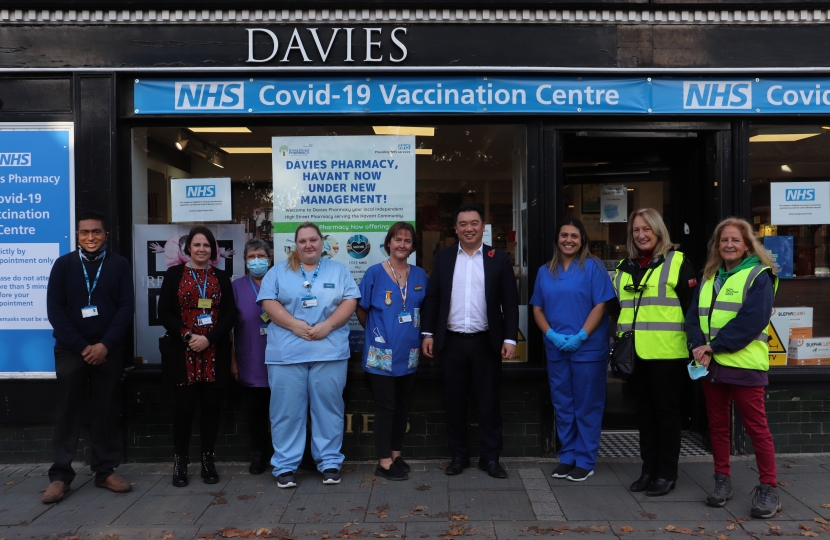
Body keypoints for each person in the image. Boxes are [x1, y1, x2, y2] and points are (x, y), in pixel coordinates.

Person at [687, 217, 780, 518]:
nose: (728, 245)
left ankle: (769, 489)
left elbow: (752, 320)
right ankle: (721, 481)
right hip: (711, 367)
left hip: (744, 366)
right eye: (723, 240)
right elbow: (693, 317)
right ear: (717, 245)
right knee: (717, 426)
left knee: (756, 430)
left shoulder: (758, 275)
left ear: (747, 245)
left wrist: (714, 346)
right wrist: (696, 346)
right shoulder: (709, 276)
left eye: (735, 240)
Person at [257, 222, 360, 488]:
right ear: (295, 244)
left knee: (328, 409)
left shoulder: (338, 270)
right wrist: (292, 324)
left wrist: (329, 325)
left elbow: (350, 300)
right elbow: (268, 301)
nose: (308, 245)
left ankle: (329, 463)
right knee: (286, 411)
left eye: (313, 240)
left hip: (329, 352)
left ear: (322, 242)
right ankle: (285, 466)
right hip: (287, 353)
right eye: (302, 241)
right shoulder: (278, 272)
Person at [421, 203, 519, 479]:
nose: (469, 228)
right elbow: (434, 298)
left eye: (474, 223)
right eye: (463, 224)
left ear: (483, 227)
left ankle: (490, 459)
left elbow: (509, 303)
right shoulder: (444, 257)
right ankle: (458, 456)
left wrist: (510, 338)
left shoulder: (497, 258)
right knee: (454, 403)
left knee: (489, 405)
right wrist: (428, 334)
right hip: (451, 343)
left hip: (486, 343)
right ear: (455, 228)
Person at [43, 210, 135, 504]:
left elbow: (125, 308)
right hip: (72, 350)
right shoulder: (63, 265)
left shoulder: (119, 265)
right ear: (78, 236)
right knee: (68, 411)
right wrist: (84, 347)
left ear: (106, 235)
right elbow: (55, 311)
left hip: (108, 350)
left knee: (104, 411)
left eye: (96, 232)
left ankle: (105, 471)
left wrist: (105, 345)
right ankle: (60, 477)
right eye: (85, 233)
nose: (91, 237)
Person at [610, 208, 697, 496]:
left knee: (666, 415)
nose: (641, 234)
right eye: (636, 230)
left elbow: (692, 310)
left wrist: (696, 346)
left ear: (658, 231)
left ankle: (666, 473)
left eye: (646, 229)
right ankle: (648, 470)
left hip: (667, 355)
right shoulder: (625, 267)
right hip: (634, 355)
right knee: (644, 414)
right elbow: (616, 309)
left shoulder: (678, 262)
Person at [531, 218, 616, 483]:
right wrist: (552, 335)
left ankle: (585, 460)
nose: (569, 240)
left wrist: (581, 336)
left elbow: (601, 305)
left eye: (574, 236)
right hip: (557, 349)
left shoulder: (593, 267)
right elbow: (537, 309)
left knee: (587, 405)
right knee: (564, 405)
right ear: (557, 239)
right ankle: (567, 457)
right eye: (564, 235)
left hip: (588, 349)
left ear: (582, 241)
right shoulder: (545, 271)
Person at [158, 226, 237, 487]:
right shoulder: (173, 275)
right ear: (188, 248)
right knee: (184, 410)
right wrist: (188, 336)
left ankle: (207, 461)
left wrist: (209, 339)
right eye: (196, 245)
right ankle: (180, 462)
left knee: (211, 409)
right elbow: (164, 312)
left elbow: (230, 315)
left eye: (206, 245)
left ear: (213, 250)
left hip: (214, 353)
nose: (202, 249)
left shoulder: (222, 277)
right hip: (184, 352)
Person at [356, 222, 428, 481]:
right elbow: (361, 308)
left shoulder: (420, 275)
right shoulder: (374, 273)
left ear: (412, 246)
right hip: (381, 354)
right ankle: (384, 462)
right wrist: (378, 334)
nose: (402, 245)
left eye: (407, 241)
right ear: (388, 243)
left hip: (409, 352)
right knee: (386, 407)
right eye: (397, 240)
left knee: (402, 406)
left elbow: (425, 310)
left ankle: (396, 454)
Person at [231, 238, 273, 475]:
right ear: (245, 261)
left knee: (283, 411)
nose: (256, 261)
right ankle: (258, 453)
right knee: (255, 412)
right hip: (250, 358)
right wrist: (233, 360)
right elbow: (228, 327)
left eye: (261, 256)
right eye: (251, 257)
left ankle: (283, 453)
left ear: (269, 258)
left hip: (281, 358)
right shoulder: (236, 287)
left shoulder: (281, 282)